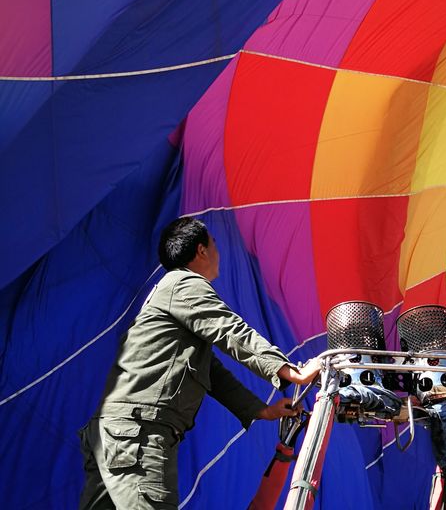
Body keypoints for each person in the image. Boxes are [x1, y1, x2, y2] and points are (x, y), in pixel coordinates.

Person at [78, 217, 321, 509]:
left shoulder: (169, 295)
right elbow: (230, 329)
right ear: (202, 250)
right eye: (214, 244)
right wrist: (293, 372)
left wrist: (262, 410)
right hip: (140, 436)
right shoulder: (184, 284)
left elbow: (210, 371)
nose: (218, 251)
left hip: (114, 437)